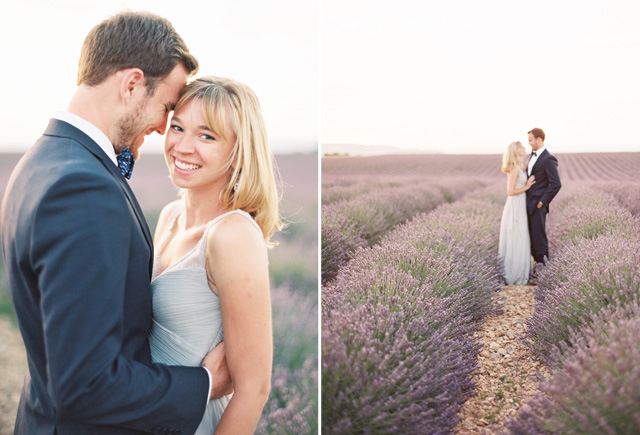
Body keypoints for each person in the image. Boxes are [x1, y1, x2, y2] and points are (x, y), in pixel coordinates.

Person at [1, 12, 232, 434]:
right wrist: (203, 384)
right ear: (131, 84)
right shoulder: (82, 188)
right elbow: (86, 383)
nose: (164, 128)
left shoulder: (41, 160)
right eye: (165, 107)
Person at [149, 76, 281, 434]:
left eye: (207, 136)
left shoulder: (232, 236)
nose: (183, 146)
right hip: (151, 415)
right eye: (177, 127)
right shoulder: (170, 216)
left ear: (239, 151)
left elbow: (254, 389)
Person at [526, 128, 562, 280]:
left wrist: (542, 201)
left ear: (539, 139)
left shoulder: (548, 159)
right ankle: (536, 269)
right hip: (527, 204)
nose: (529, 143)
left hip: (538, 205)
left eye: (531, 140)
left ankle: (543, 271)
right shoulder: (531, 156)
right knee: (531, 237)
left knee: (539, 237)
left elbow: (556, 184)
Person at [498, 141, 536, 285]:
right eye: (521, 147)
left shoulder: (520, 166)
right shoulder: (514, 168)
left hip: (520, 204)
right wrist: (526, 186)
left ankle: (521, 273)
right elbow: (510, 191)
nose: (524, 148)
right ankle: (513, 275)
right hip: (515, 205)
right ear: (516, 151)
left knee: (521, 236)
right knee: (516, 235)